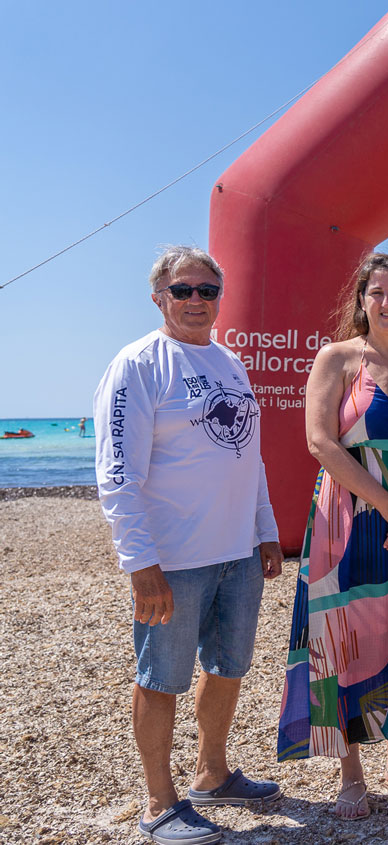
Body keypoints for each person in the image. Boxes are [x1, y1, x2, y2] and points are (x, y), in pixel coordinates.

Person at [95, 245, 283, 845]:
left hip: (237, 555)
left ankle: (213, 773)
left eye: (207, 290)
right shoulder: (139, 364)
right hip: (173, 561)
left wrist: (267, 529)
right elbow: (117, 473)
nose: (197, 301)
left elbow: (247, 459)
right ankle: (159, 802)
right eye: (183, 291)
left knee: (228, 668)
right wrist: (139, 562)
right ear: (159, 298)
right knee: (162, 677)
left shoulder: (230, 362)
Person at [278, 253, 388, 819]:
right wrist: (386, 504)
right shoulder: (337, 359)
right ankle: (349, 766)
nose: (386, 302)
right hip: (349, 514)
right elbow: (320, 443)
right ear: (361, 302)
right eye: (375, 293)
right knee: (345, 631)